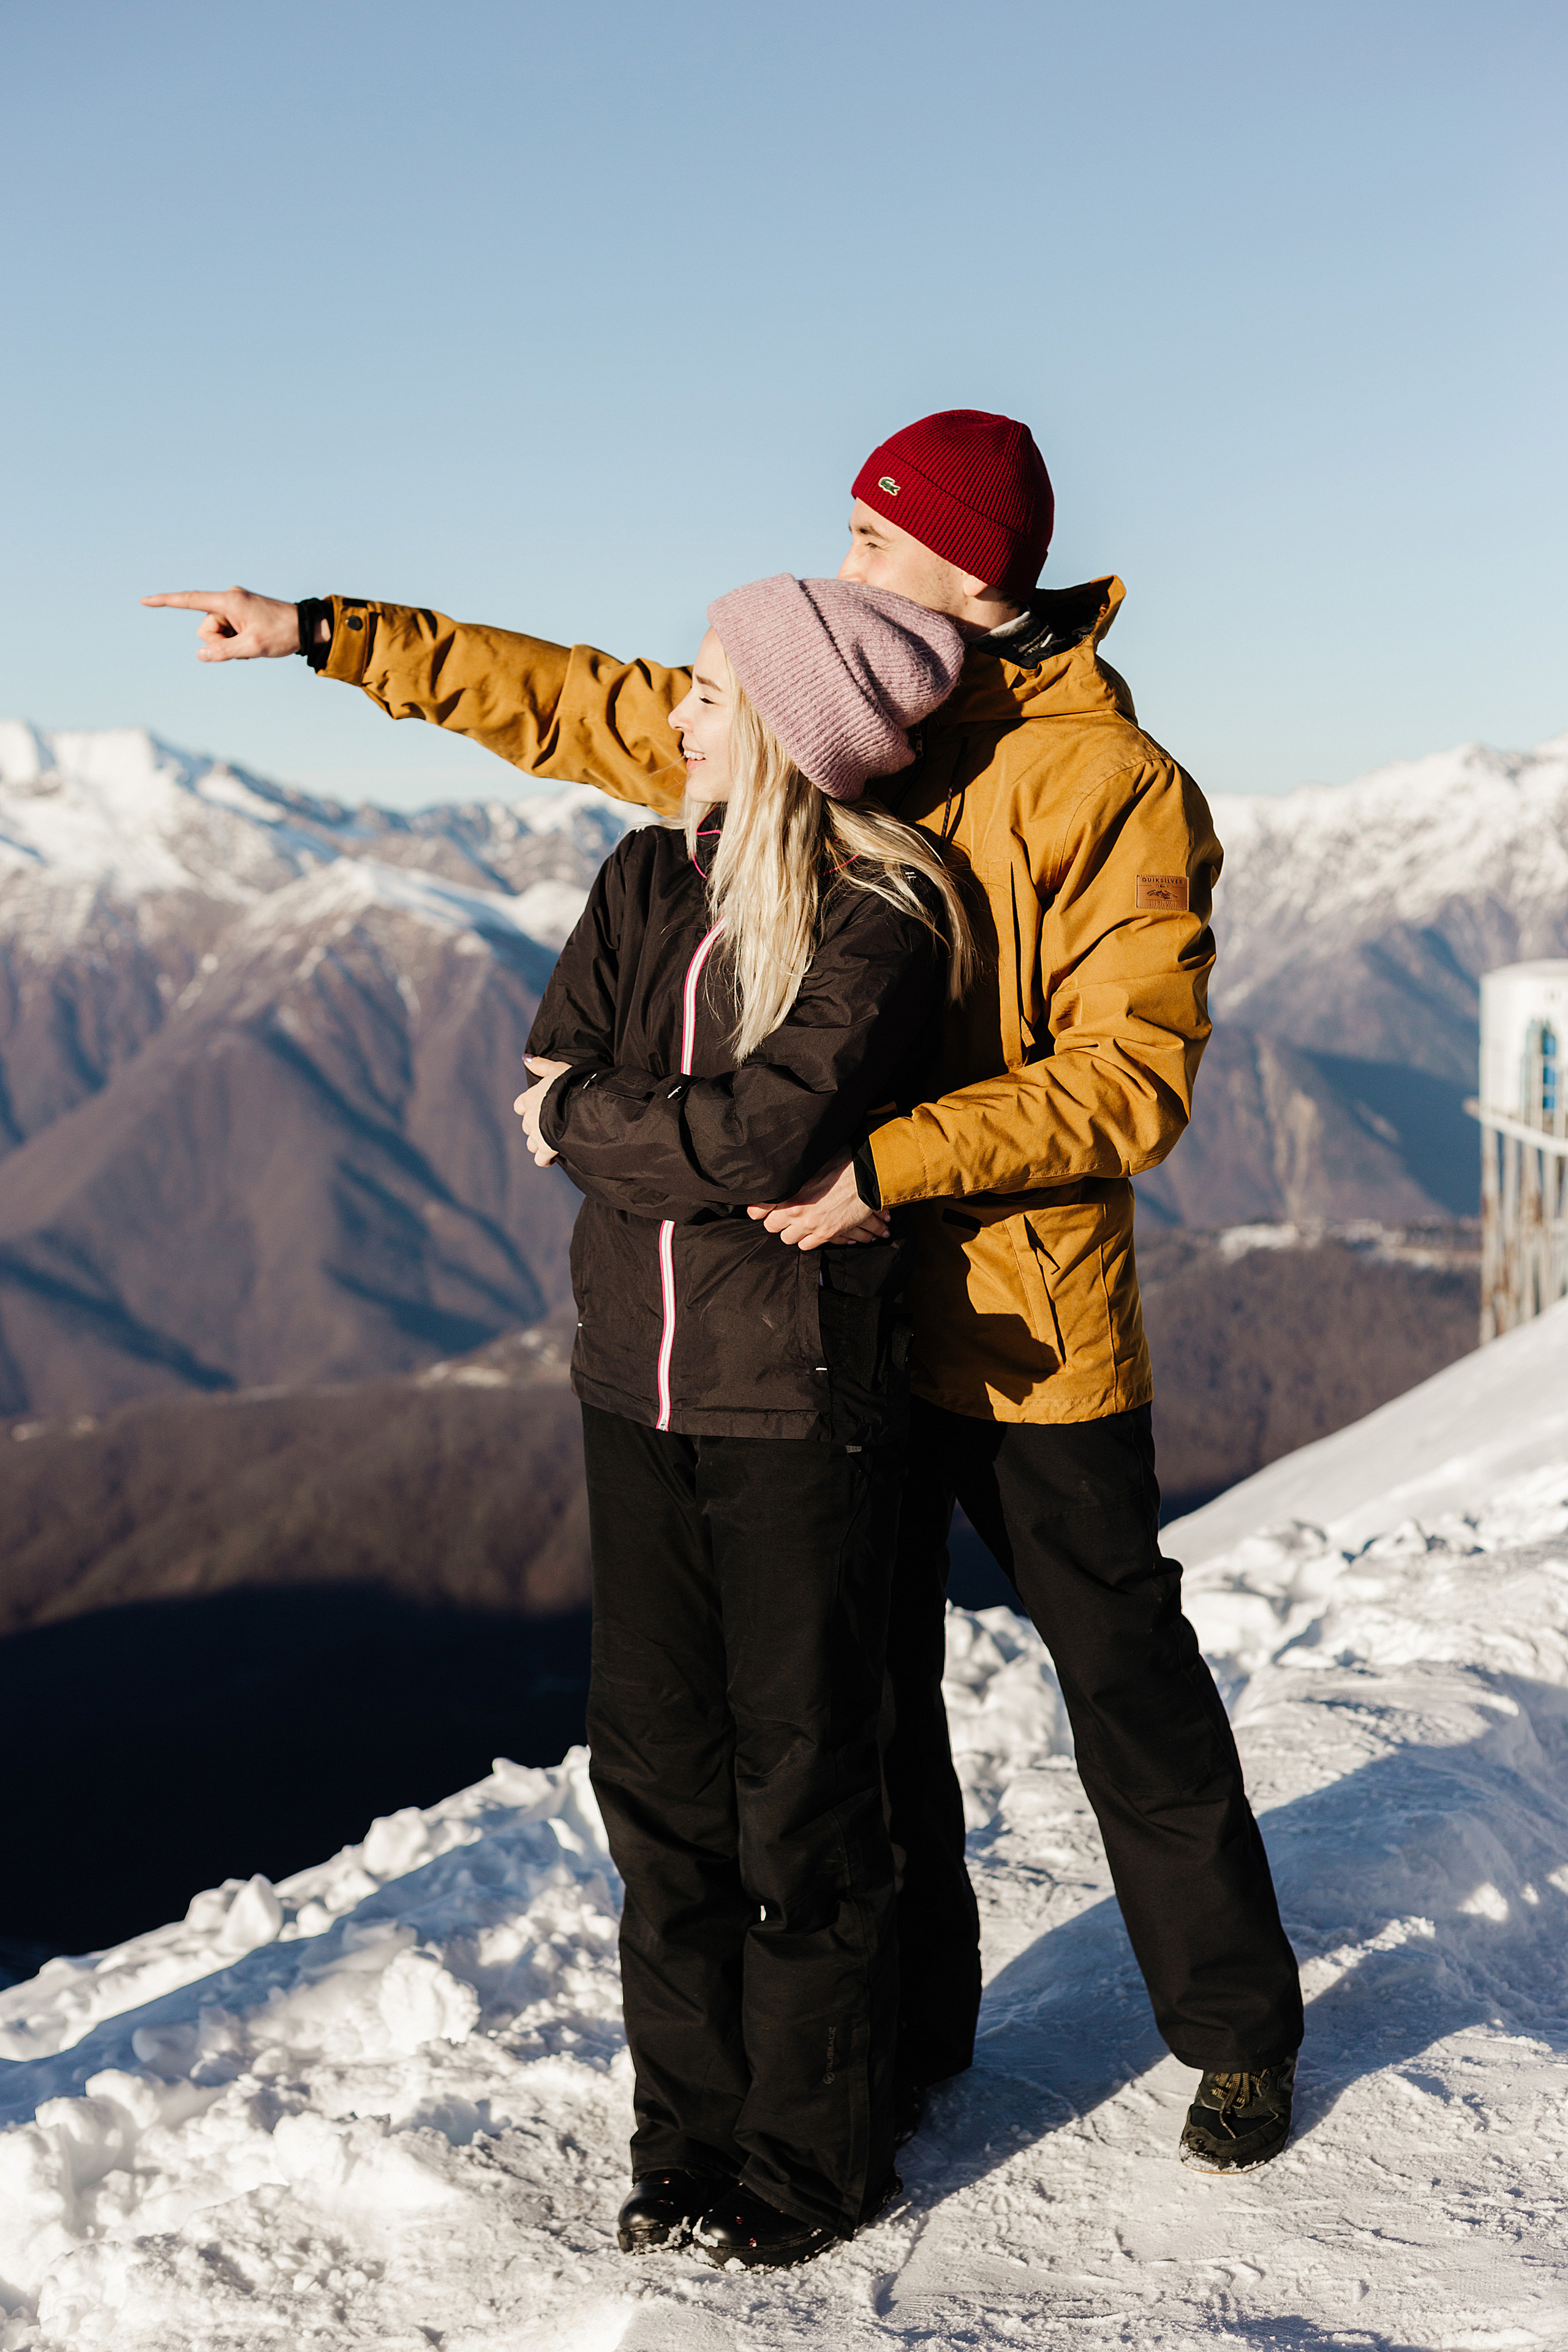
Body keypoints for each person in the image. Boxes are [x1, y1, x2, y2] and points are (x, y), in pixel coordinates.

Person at [143, 407, 1303, 2179]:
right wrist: (327, 633)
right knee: (871, 1702)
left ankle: (1234, 2031)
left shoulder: (1114, 788)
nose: (839, 564)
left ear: (970, 572)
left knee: (1120, 1673)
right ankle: (911, 2046)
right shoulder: (836, 701)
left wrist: (884, 1172)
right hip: (823, 1335)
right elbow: (592, 702)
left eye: (869, 539)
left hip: (1017, 1326)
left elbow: (1134, 1078)